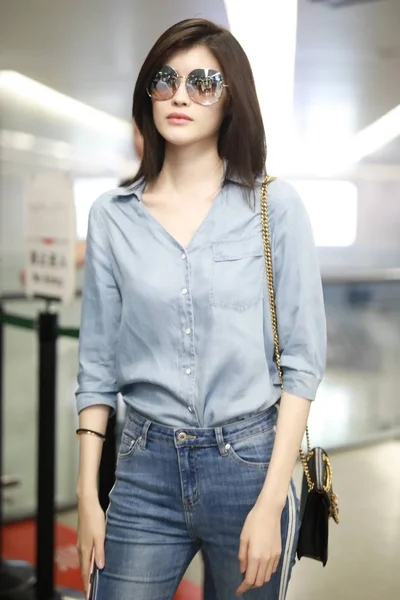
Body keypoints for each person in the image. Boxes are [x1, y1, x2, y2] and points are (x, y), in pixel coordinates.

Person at [75, 18, 326, 600]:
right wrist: (89, 494)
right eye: (165, 80)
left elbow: (304, 364)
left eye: (203, 82)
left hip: (250, 467)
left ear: (231, 96)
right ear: (148, 96)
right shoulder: (112, 217)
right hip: (143, 469)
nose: (181, 94)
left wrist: (270, 502)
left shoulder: (275, 206)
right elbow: (95, 368)